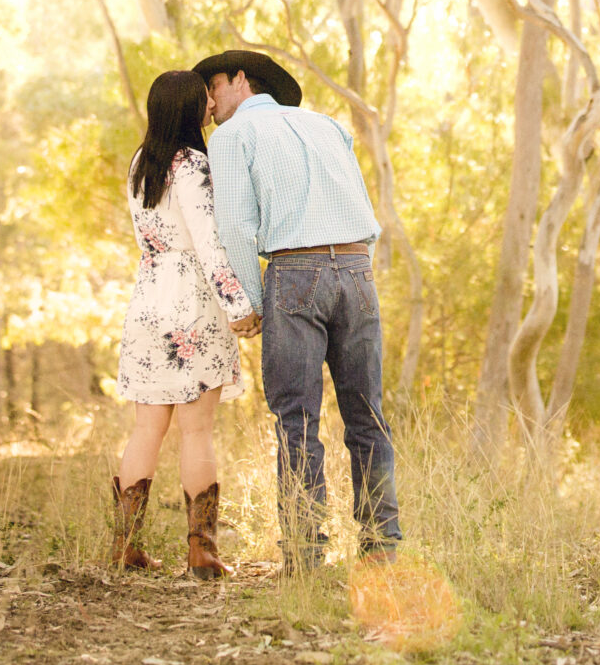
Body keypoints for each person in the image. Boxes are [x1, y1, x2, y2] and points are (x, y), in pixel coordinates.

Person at [197, 47, 402, 572]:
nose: (210, 100)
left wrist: (249, 304)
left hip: (294, 271)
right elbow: (362, 207)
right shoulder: (329, 125)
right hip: (357, 270)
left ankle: (307, 556)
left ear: (241, 81)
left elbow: (238, 226)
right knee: (368, 415)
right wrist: (356, 269)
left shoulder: (233, 136)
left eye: (214, 86)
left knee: (297, 421)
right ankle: (382, 546)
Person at [109, 68, 255, 578]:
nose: (210, 109)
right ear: (190, 110)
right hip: (192, 301)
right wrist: (240, 306)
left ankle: (124, 546)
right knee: (196, 432)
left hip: (148, 298)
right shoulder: (193, 163)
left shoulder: (138, 163)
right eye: (203, 103)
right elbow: (209, 243)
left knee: (146, 429)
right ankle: (202, 553)